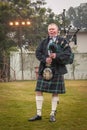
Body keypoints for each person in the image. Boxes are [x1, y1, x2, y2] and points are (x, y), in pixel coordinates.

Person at [28, 23, 72, 122]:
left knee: (55, 92)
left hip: (56, 69)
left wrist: (56, 56)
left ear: (57, 30)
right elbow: (38, 53)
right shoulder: (44, 42)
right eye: (49, 29)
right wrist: (45, 59)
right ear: (48, 31)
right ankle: (38, 114)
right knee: (39, 90)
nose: (51, 31)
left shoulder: (62, 41)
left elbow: (68, 54)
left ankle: (52, 114)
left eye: (53, 29)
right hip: (44, 68)